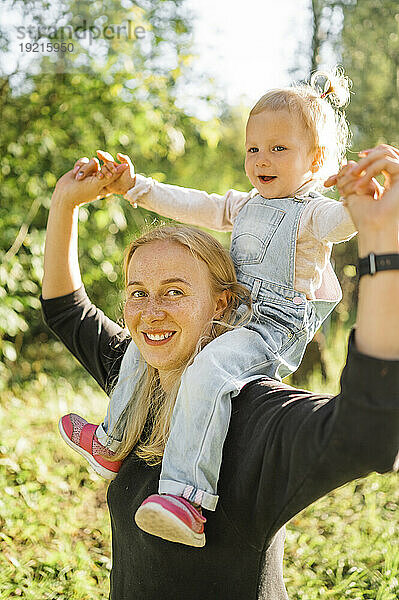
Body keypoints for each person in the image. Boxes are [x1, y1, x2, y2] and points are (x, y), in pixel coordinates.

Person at [41, 144, 398, 599]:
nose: (150, 313)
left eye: (173, 292)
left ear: (222, 303)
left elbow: (373, 433)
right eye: (137, 292)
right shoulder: (138, 374)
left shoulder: (254, 413)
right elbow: (65, 310)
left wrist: (385, 244)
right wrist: (64, 202)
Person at [57, 71, 370, 547]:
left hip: (271, 329)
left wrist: (362, 193)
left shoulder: (311, 213)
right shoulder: (244, 206)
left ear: (317, 159)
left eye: (278, 149)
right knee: (150, 346)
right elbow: (190, 203)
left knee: (209, 368)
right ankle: (111, 441)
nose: (261, 160)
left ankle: (186, 496)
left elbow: (344, 222)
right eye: (253, 149)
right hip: (236, 316)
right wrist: (134, 186)